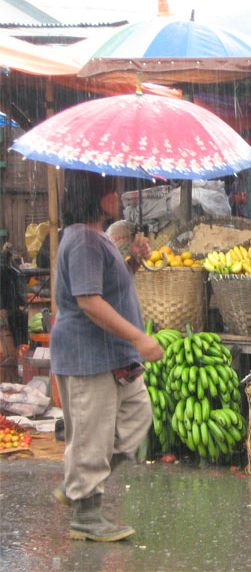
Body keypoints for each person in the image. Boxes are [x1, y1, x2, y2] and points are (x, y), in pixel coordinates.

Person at [51, 169, 163, 542]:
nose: (118, 196)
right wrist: (140, 339)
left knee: (135, 417)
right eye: (112, 190)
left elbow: (106, 288)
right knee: (91, 433)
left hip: (112, 353)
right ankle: (86, 512)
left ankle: (78, 484)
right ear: (97, 197)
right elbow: (89, 302)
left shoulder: (94, 238)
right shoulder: (83, 239)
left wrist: (131, 262)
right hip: (88, 354)